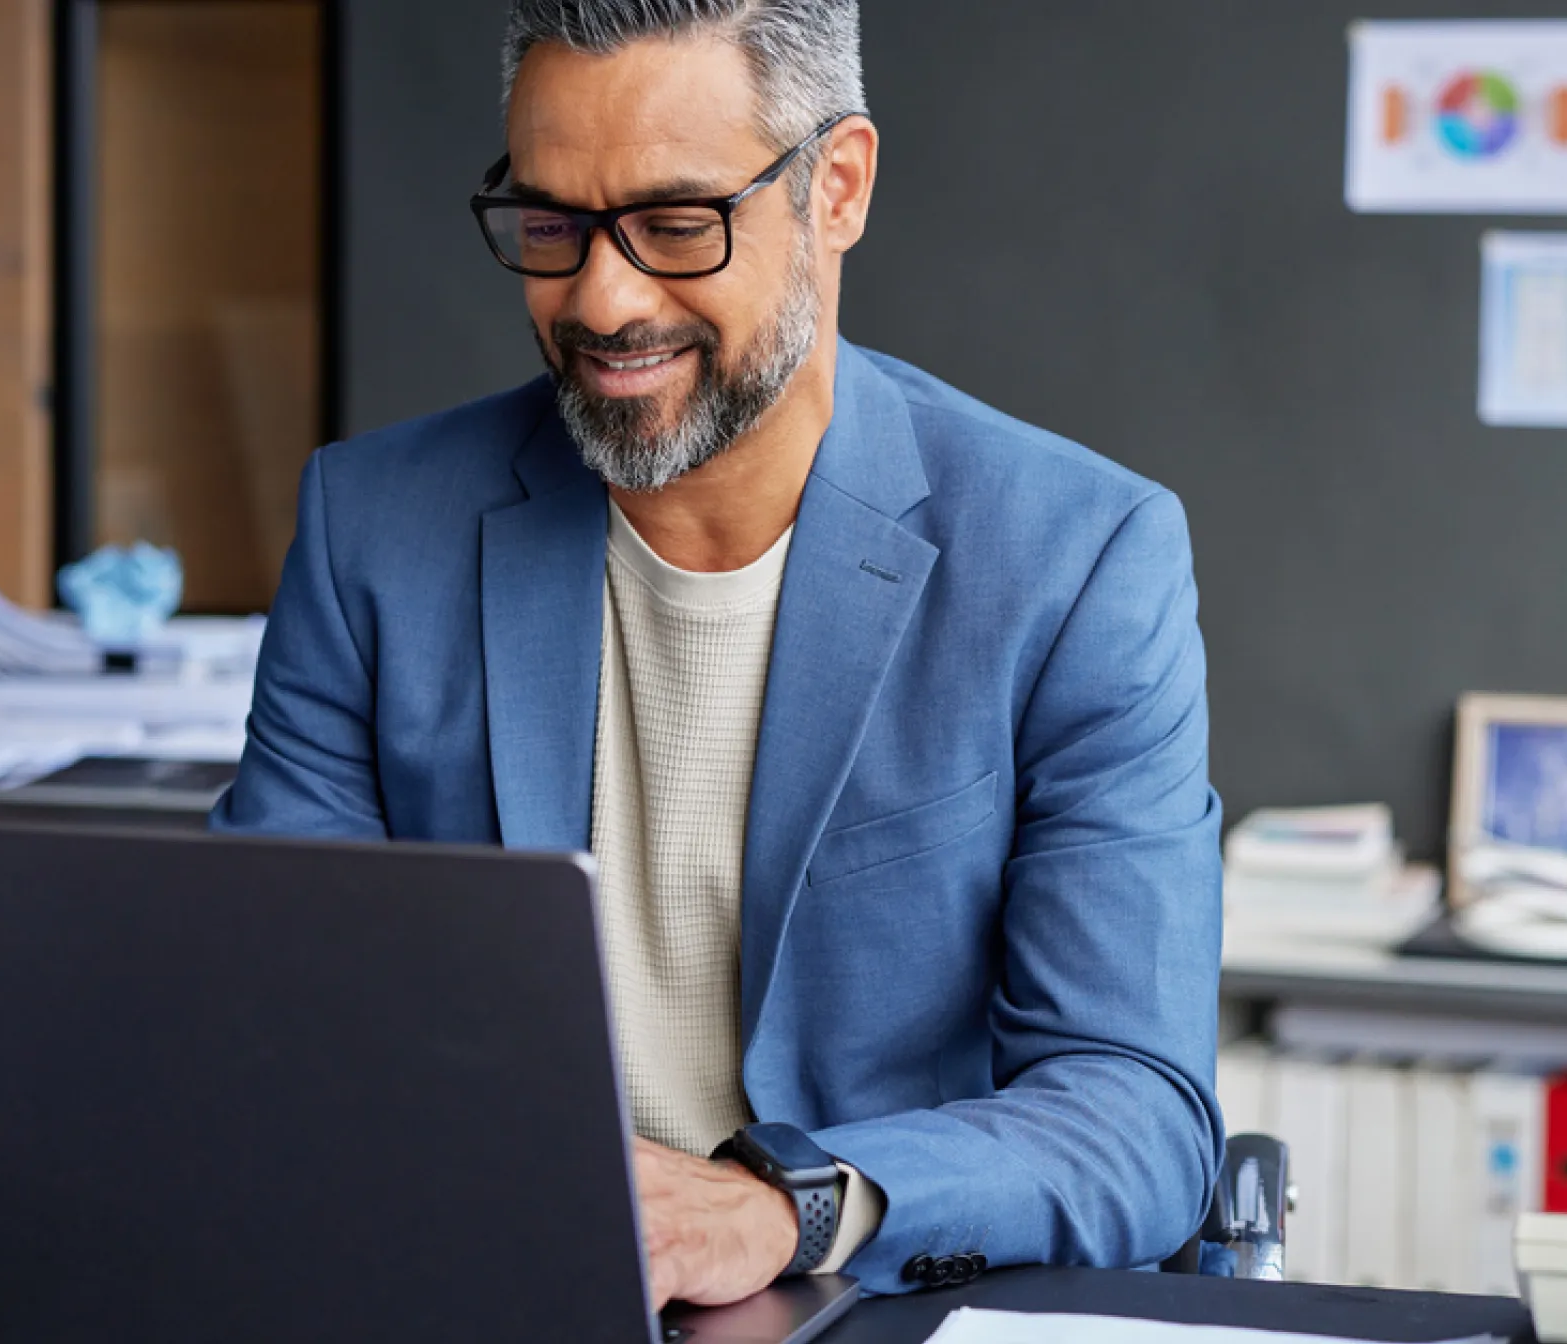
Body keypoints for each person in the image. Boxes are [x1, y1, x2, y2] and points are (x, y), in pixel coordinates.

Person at [214, 0, 1224, 1311]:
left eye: (675, 224)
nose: (601, 299)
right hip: (473, 1284)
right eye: (548, 226)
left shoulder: (1074, 559)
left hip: (868, 1300)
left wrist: (788, 1210)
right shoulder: (375, 529)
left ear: (836, 188)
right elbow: (272, 1028)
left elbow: (1135, 1115)